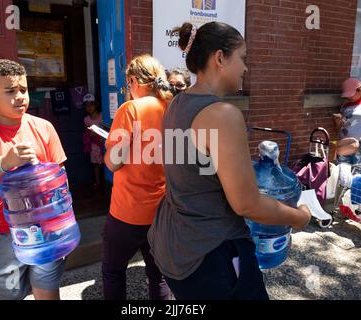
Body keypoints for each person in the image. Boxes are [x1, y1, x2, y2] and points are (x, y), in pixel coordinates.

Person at [147, 22, 311, 300]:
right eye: (243, 58)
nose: (246, 68)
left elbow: (197, 174)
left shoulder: (176, 104)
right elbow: (246, 203)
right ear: (220, 58)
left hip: (174, 245)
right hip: (211, 254)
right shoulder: (222, 114)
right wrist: (300, 217)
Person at [0, 59, 67, 300]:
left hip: (45, 230)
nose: (19, 97)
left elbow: (61, 180)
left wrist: (60, 224)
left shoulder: (44, 127)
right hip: (1, 233)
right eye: (10, 91)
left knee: (47, 293)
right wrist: (3, 163)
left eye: (24, 90)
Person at [102, 54, 173, 300]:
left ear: (133, 80)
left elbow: (113, 162)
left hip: (128, 211)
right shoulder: (173, 107)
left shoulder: (130, 108)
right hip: (163, 210)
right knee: (159, 275)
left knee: (113, 271)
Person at [82, 93, 104, 190]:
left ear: (96, 104)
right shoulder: (86, 120)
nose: (89, 107)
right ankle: (98, 182)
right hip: (94, 145)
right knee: (96, 164)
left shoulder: (102, 116)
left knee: (107, 161)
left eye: (91, 104)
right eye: (86, 105)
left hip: (103, 142)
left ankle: (107, 181)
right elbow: (87, 132)